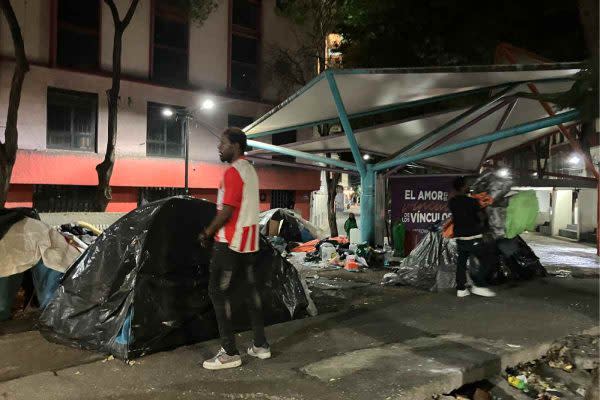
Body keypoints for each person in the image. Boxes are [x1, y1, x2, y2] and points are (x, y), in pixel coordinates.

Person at [199, 128, 270, 370]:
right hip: (250, 244)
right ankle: (260, 345)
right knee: (250, 293)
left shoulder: (232, 172)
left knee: (218, 293)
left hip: (229, 244)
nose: (219, 147)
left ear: (236, 146)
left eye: (223, 143)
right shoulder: (250, 170)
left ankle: (229, 352)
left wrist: (207, 233)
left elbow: (227, 210)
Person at [448, 177, 496, 298]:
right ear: (463, 187)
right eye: (467, 185)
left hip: (460, 237)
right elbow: (481, 218)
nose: (469, 186)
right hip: (473, 236)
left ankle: (461, 289)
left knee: (461, 263)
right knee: (487, 258)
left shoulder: (452, 202)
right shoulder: (471, 202)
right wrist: (484, 210)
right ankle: (479, 285)